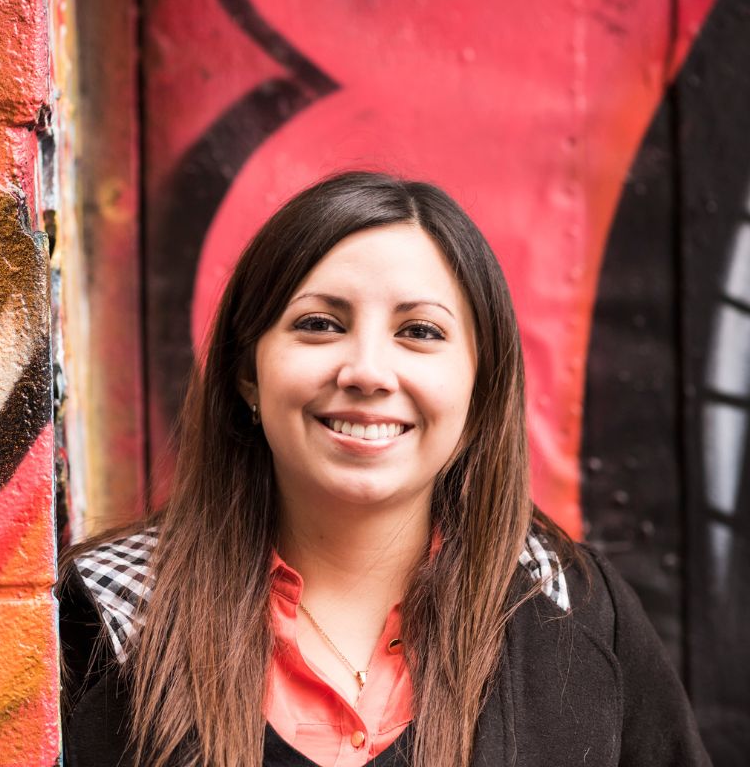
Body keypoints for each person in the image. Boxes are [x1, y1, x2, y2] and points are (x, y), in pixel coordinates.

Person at [57, 172, 709, 767]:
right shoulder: (108, 620)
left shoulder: (576, 613)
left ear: (479, 387)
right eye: (318, 324)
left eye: (420, 332)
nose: (367, 371)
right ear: (247, 373)